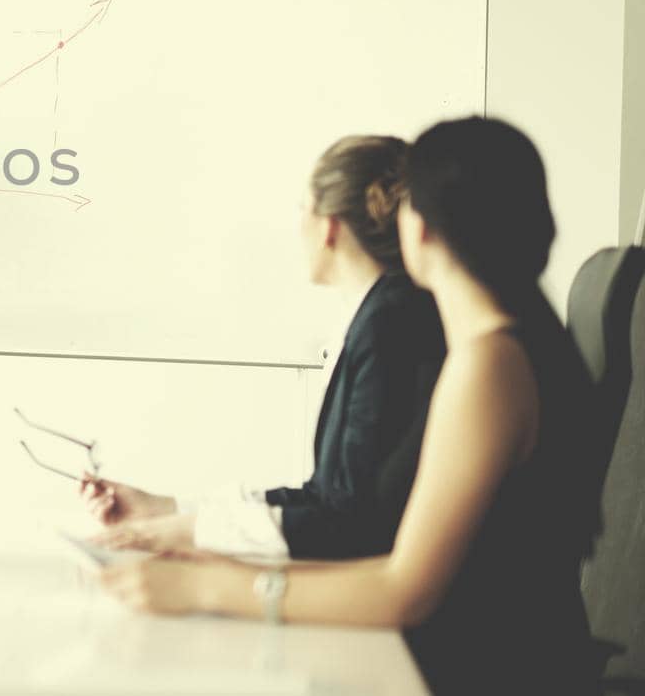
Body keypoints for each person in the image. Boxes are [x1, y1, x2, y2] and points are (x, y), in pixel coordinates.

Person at [101, 117, 602, 696]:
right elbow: (383, 539)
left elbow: (405, 589)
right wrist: (221, 565)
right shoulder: (510, 349)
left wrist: (208, 590)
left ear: (421, 229)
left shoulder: (489, 366)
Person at [82, 136, 445, 560]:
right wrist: (167, 512)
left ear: (328, 225)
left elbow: (350, 520)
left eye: (301, 210)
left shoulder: (389, 322)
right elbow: (327, 496)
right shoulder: (379, 315)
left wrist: (186, 532)